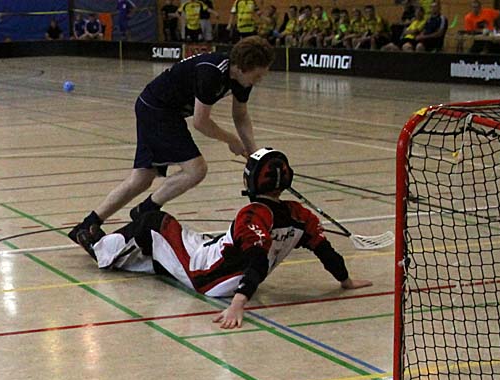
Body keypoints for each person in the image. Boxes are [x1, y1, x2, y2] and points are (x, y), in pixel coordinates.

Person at [86, 148, 373, 329]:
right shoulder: (301, 215)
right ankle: (145, 260)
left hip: (206, 275)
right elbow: (325, 250)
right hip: (228, 273)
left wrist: (237, 304)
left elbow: (258, 258)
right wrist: (345, 280)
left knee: (152, 221)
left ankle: (98, 247)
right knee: (170, 249)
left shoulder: (253, 215)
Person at [68, 36, 275, 253]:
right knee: (196, 169)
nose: (259, 80)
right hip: (158, 110)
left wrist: (254, 154)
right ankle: (146, 210)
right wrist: (231, 140)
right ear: (243, 67)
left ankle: (88, 224)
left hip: (157, 109)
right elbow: (201, 122)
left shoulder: (241, 80)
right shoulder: (212, 72)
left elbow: (240, 116)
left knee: (141, 179)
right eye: (257, 75)